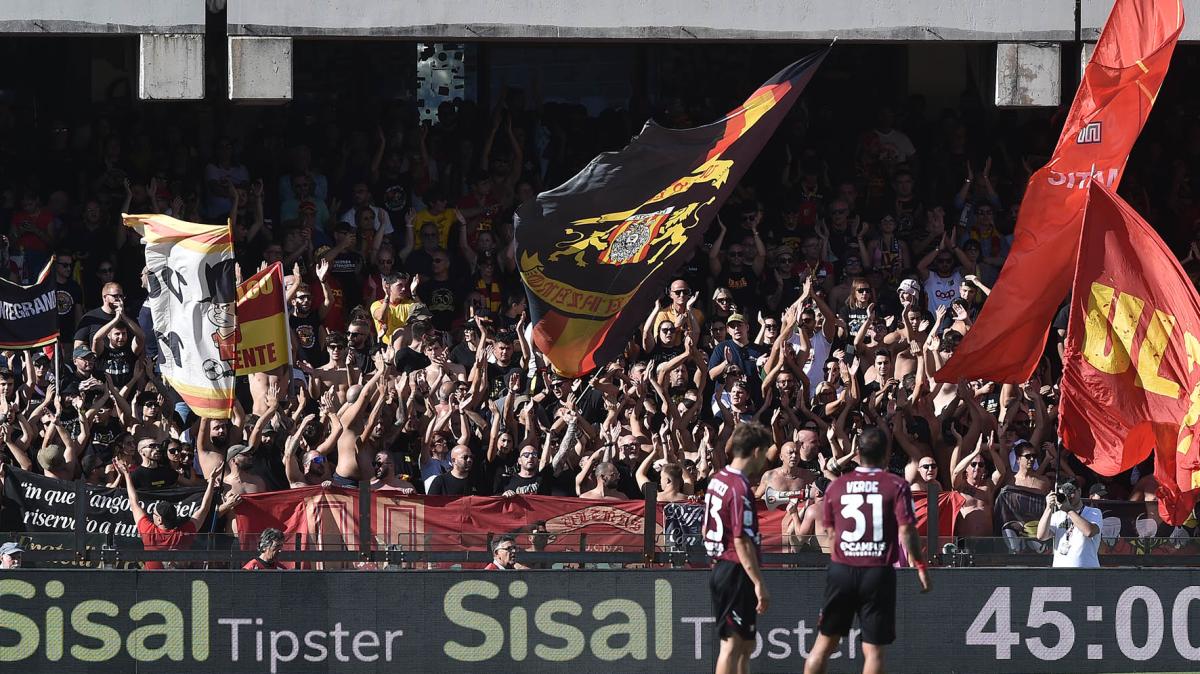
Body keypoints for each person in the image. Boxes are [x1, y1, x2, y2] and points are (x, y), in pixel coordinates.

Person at [804, 427, 931, 674]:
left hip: (842, 569)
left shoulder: (837, 485)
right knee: (873, 652)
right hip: (877, 571)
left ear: (858, 453)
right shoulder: (896, 485)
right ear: (886, 454)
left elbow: (830, 533)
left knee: (822, 646)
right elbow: (907, 530)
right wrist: (921, 566)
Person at [702, 422, 772, 674]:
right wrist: (758, 582)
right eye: (764, 452)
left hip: (724, 567)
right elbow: (741, 540)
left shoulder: (717, 479)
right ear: (756, 451)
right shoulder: (740, 488)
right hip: (735, 569)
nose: (764, 458)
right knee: (731, 645)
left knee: (746, 644)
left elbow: (705, 527)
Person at [116, 460, 221, 570]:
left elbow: (134, 502)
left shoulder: (149, 532)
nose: (152, 516)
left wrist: (127, 475)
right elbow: (204, 508)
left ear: (160, 520)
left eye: (154, 514)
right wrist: (212, 481)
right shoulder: (184, 534)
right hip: (178, 582)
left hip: (151, 582)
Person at [1035, 480, 1101, 568]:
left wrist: (1069, 510)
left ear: (1079, 491)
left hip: (1087, 571)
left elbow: (1089, 532)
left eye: (1070, 492)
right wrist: (1048, 508)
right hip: (1060, 572)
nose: (1067, 497)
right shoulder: (1057, 515)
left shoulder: (1093, 512)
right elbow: (1041, 536)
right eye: (1063, 494)